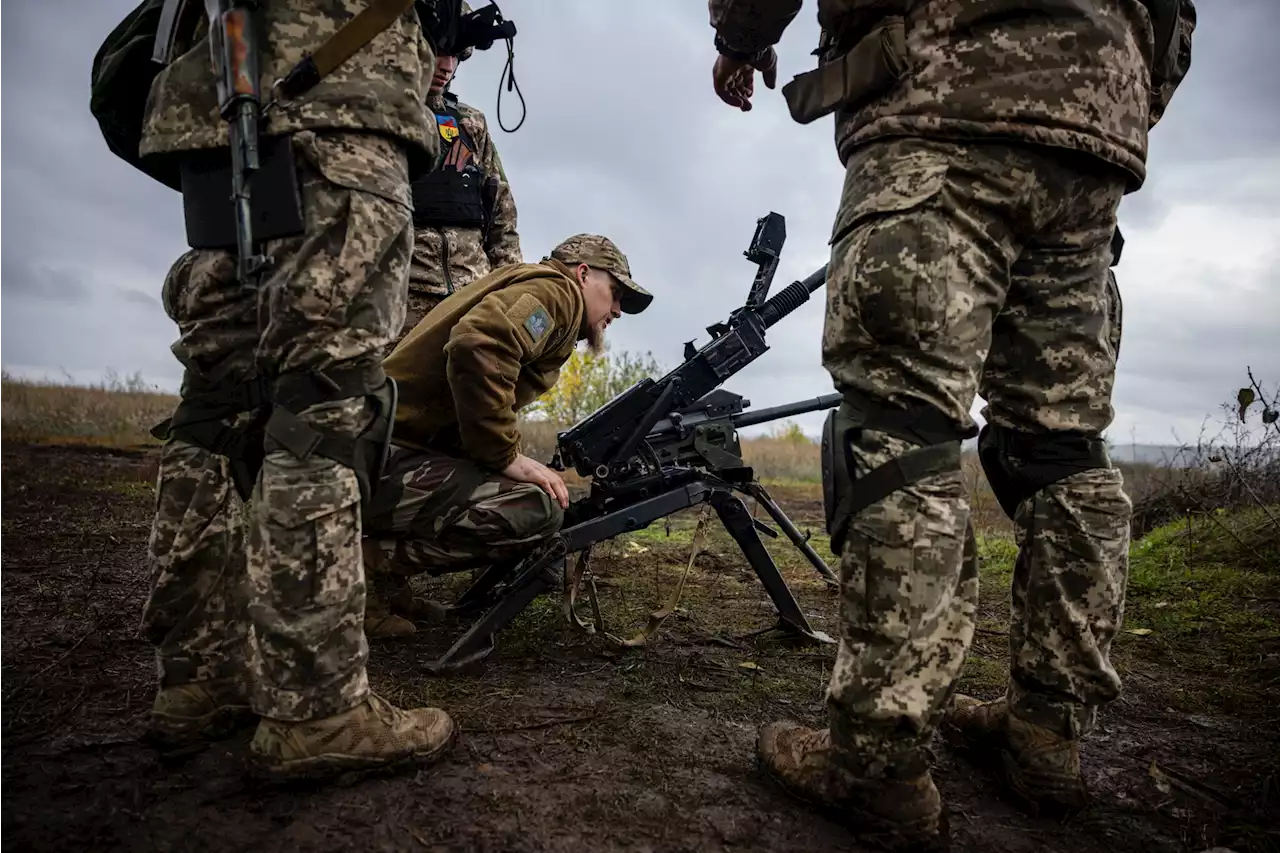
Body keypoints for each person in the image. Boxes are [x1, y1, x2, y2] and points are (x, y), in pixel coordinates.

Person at [703, 0, 1196, 848]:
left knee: (898, 425)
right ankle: (1046, 735)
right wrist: (1112, 84)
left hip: (941, 107)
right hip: (1090, 143)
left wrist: (739, 42)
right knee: (1062, 447)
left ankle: (878, 762)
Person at [135, 0, 461, 781]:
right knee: (325, 398)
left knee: (217, 400)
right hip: (340, 91)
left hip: (218, 92)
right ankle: (314, 708)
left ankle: (198, 678)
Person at [358, 234, 652, 636]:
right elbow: (479, 342)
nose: (617, 310)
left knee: (515, 487)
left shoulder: (532, 286)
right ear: (583, 274)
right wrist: (504, 455)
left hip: (371, 451)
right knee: (534, 509)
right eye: (614, 292)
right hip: (371, 460)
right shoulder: (558, 292)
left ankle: (385, 588)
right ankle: (362, 565)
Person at [398, 0, 523, 343]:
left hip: (473, 297)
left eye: (455, 55)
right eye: (439, 51)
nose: (446, 65)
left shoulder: (472, 124)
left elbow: (502, 217)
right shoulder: (388, 115)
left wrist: (508, 291)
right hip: (405, 300)